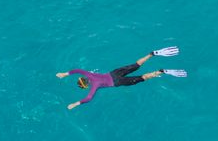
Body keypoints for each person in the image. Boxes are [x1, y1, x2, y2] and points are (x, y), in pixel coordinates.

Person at [56, 47, 186, 110]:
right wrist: (64, 73)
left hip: (117, 82)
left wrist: (75, 104)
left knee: (142, 78)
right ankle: (152, 54)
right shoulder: (87, 74)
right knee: (136, 65)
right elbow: (77, 70)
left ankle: (161, 71)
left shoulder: (94, 86)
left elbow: (89, 98)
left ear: (86, 85)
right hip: (114, 73)